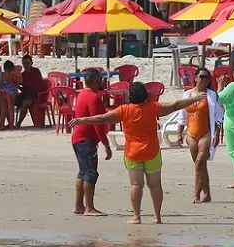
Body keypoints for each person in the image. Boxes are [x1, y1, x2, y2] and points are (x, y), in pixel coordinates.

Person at [71, 82, 200, 224]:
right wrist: (194, 99)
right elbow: (175, 105)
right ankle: (157, 217)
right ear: (145, 95)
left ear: (130, 96)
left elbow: (101, 119)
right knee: (155, 185)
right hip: (152, 152)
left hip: (133, 154)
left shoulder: (124, 110)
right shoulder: (153, 107)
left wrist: (81, 120)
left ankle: (137, 217)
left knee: (136, 186)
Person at [175, 68, 223, 204]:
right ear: (195, 78)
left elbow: (218, 115)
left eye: (207, 78)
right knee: (200, 165)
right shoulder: (187, 95)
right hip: (191, 134)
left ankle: (196, 195)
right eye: (202, 77)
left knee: (199, 163)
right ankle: (206, 194)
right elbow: (182, 116)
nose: (205, 80)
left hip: (206, 133)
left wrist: (217, 133)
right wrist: (179, 133)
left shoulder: (211, 95)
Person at [71, 69, 113, 216]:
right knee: (90, 173)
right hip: (86, 139)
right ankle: (89, 207)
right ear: (96, 81)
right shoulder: (93, 97)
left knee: (83, 172)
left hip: (78, 138)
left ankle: (79, 205)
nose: (102, 82)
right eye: (100, 80)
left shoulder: (82, 93)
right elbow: (98, 122)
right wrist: (106, 144)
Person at [14, 55, 45, 127]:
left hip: (36, 95)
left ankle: (18, 123)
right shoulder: (22, 74)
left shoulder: (36, 71)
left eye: (27, 63)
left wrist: (21, 83)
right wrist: (17, 85)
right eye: (24, 63)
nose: (25, 65)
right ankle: (10, 123)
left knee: (25, 103)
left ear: (31, 63)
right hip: (26, 94)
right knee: (10, 99)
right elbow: (24, 88)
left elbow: (35, 86)